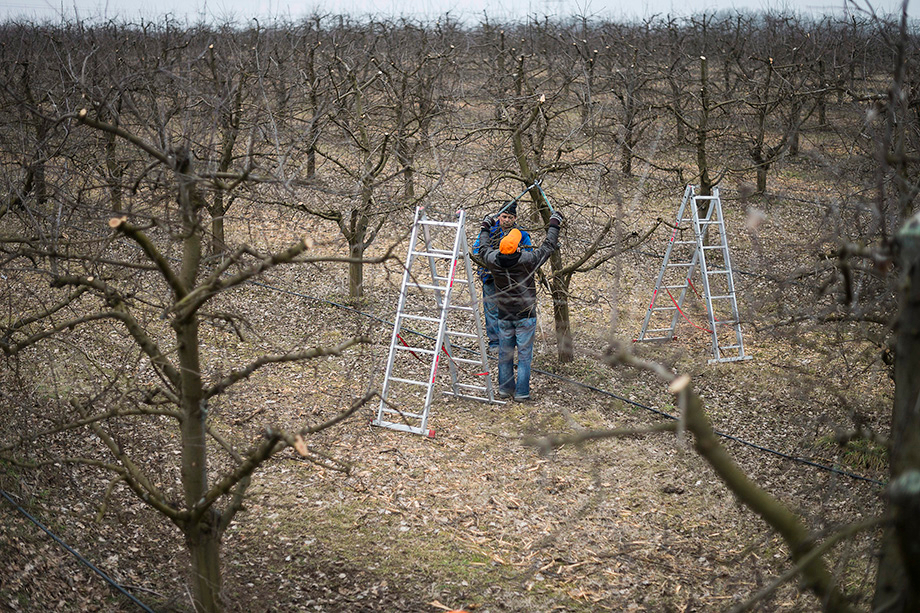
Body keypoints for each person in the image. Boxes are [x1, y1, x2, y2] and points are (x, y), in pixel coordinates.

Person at [478, 209, 563, 401]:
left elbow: (483, 249)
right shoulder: (528, 260)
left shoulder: (493, 260)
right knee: (524, 356)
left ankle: (505, 389)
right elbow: (548, 246)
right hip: (525, 316)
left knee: (505, 355)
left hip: (504, 315)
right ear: (518, 248)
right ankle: (522, 393)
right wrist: (554, 223)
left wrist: (485, 226)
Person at [472, 202, 532, 353]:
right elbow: (476, 248)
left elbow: (529, 255)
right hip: (490, 276)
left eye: (510, 217)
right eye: (504, 216)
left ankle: (509, 343)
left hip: (511, 280)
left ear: (515, 218)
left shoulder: (521, 234)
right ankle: (494, 343)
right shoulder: (490, 231)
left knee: (509, 310)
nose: (506, 220)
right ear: (499, 216)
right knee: (491, 309)